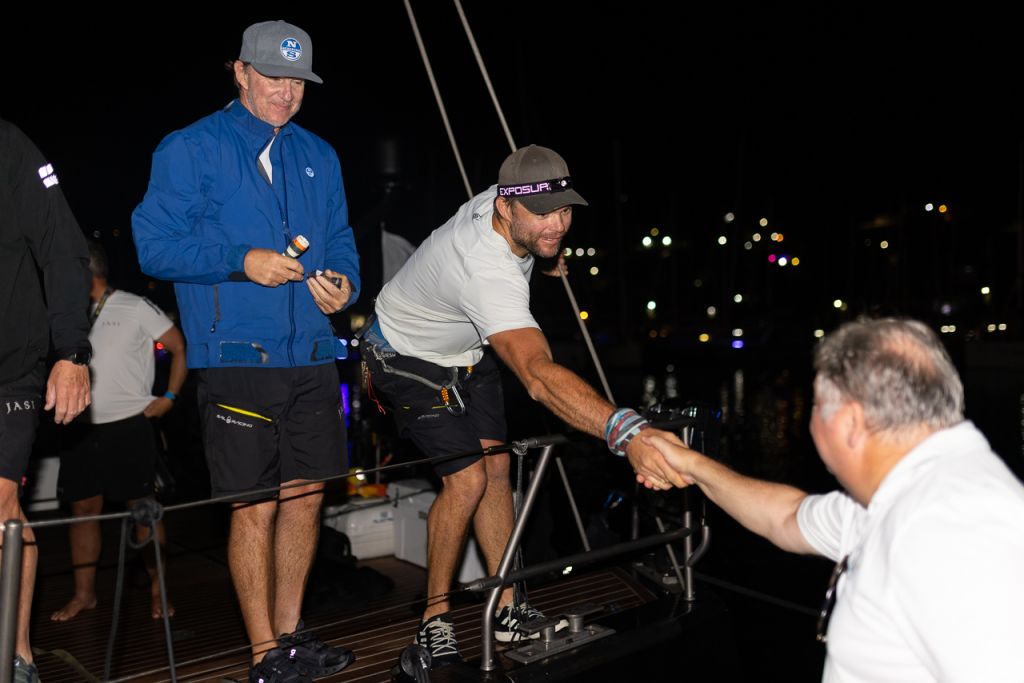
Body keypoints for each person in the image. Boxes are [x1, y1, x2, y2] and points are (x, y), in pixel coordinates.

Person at [361, 144, 685, 665]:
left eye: (564, 210)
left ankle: (507, 608)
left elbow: (541, 221)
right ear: (504, 209)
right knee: (465, 479)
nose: (556, 224)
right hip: (403, 354)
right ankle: (433, 618)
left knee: (495, 466)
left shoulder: (512, 196)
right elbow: (536, 377)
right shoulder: (484, 271)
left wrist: (547, 252)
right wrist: (626, 430)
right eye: (541, 214)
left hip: (466, 352)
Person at [131, 20, 359, 683]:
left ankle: (291, 635)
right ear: (239, 72)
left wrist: (345, 282)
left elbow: (341, 238)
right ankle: (265, 655)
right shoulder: (190, 148)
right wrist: (241, 261)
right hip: (236, 353)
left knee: (308, 495)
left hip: (314, 352)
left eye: (296, 82)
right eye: (272, 78)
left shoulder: (319, 154)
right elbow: (154, 246)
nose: (285, 94)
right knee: (254, 505)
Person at [644, 318, 1024, 682]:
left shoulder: (951, 526)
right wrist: (691, 464)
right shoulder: (899, 494)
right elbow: (785, 516)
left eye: (815, 407)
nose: (810, 422)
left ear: (850, 424)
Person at [0, 118, 92, 683]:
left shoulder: (9, 147)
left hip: (10, 367)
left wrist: (72, 353)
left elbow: (63, 248)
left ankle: (17, 656)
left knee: (0, 508)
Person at [50, 241, 186, 622]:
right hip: (79, 427)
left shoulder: (134, 305)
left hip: (130, 425)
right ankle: (84, 595)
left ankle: (159, 591)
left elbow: (178, 347)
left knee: (143, 512)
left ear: (85, 271)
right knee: (82, 510)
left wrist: (170, 397)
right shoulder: (67, 313)